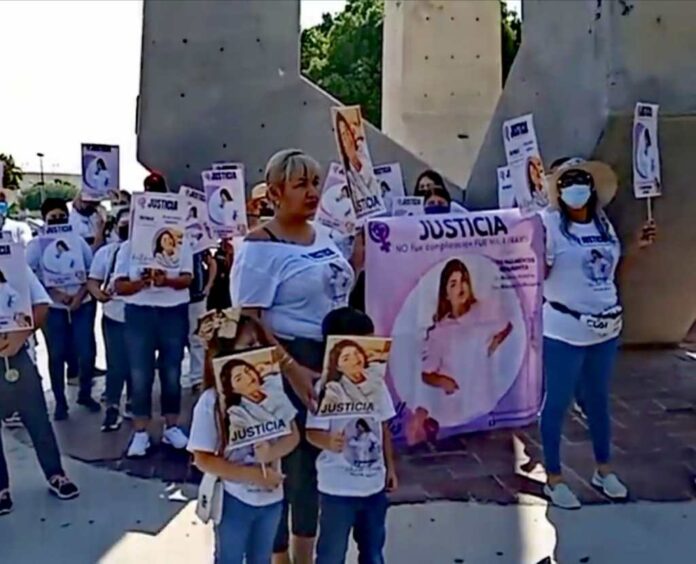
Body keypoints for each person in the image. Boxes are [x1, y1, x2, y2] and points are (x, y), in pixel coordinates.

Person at [231, 149, 362, 564]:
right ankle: (280, 556)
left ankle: (305, 554)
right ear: (274, 192)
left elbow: (332, 287)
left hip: (330, 358)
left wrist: (359, 259)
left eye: (315, 183)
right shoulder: (258, 248)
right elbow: (248, 321)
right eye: (300, 184)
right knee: (292, 466)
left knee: (321, 464)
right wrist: (292, 369)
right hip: (286, 360)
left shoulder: (322, 234)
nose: (312, 192)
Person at [540, 158, 656, 509]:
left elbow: (613, 270)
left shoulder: (603, 223)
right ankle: (554, 477)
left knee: (598, 401)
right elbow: (539, 270)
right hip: (564, 328)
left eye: (581, 179)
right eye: (568, 180)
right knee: (557, 403)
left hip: (605, 327)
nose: (576, 186)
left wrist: (636, 247)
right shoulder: (548, 224)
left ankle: (604, 470)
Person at [188, 314, 300, 564]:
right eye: (249, 345)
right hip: (233, 498)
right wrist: (252, 475)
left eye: (260, 343)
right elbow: (202, 458)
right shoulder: (211, 402)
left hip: (272, 498)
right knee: (229, 558)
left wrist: (271, 454)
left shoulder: (275, 395)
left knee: (262, 558)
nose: (258, 350)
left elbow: (292, 435)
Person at [306, 306, 397, 564]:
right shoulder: (326, 389)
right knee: (331, 554)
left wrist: (390, 467)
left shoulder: (377, 386)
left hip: (374, 488)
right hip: (337, 489)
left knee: (373, 552)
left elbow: (383, 427)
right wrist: (327, 441)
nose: (357, 358)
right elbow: (311, 432)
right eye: (348, 355)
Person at [114, 173, 191, 457]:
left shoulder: (181, 243)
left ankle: (172, 427)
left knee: (172, 372)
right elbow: (119, 285)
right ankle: (140, 432)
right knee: (140, 373)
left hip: (173, 313)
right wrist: (142, 283)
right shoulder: (128, 247)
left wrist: (165, 281)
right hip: (140, 314)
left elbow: (187, 278)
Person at [0, 265, 80, 516]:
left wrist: (19, 337)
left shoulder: (13, 264)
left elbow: (41, 304)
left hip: (18, 355)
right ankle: (0, 488)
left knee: (37, 419)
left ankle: (56, 474)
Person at [407, 259, 513, 444]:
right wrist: (443, 381)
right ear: (446, 294)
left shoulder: (484, 311)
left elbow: (507, 325)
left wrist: (496, 342)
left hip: (485, 405)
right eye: (453, 284)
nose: (460, 287)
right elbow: (426, 374)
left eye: (463, 280)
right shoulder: (440, 331)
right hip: (457, 409)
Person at [26, 198, 100, 420]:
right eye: (53, 218)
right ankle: (60, 402)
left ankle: (85, 393)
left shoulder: (78, 242)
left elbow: (91, 272)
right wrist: (56, 295)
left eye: (62, 217)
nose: (58, 220)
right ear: (44, 220)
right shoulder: (35, 246)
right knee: (56, 354)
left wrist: (79, 296)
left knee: (86, 351)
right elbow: (29, 276)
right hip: (53, 307)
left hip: (82, 303)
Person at [87, 208, 132, 431]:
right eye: (123, 225)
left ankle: (134, 402)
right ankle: (113, 407)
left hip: (142, 316)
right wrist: (98, 294)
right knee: (116, 364)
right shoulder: (106, 253)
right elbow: (93, 280)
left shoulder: (149, 253)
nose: (126, 229)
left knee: (139, 364)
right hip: (114, 315)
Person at [184, 246, 217, 391]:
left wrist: (208, 286)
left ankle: (198, 377)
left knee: (197, 337)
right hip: (175, 297)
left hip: (196, 296)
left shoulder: (198, 244)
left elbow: (211, 262)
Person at [319, 339, 384, 410]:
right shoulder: (335, 388)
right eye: (346, 359)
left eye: (356, 353)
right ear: (338, 367)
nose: (355, 358)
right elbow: (327, 406)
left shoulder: (374, 369)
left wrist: (380, 355)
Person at [335, 112, 379, 201]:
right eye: (343, 135)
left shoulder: (362, 150)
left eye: (347, 132)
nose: (347, 138)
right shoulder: (342, 170)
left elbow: (369, 181)